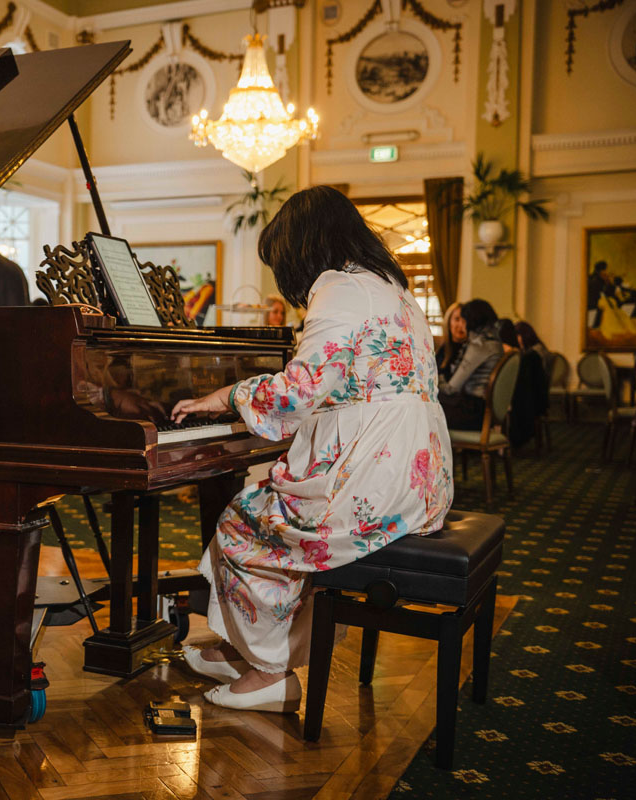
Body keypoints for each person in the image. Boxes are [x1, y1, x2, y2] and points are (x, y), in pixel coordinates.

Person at [170, 186, 452, 713]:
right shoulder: (392, 287)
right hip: (420, 478)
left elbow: (300, 391)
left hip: (376, 477)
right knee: (266, 513)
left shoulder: (339, 287)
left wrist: (227, 396)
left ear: (302, 247)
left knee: (243, 524)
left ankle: (268, 672)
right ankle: (246, 648)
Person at [437, 299, 502, 431]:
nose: (462, 324)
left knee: (425, 406)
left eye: (464, 320)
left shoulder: (479, 346)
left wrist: (435, 382)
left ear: (470, 321)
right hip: (483, 411)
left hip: (472, 413)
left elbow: (451, 389)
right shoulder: (496, 344)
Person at [434, 302, 465, 381]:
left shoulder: (470, 351)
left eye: (465, 320)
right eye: (457, 319)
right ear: (448, 322)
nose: (461, 324)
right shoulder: (442, 349)